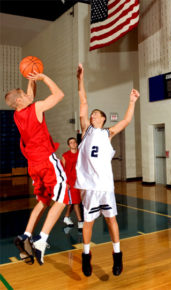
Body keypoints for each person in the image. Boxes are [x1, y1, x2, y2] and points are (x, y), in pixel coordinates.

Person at [75, 64, 140, 277]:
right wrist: (80, 79)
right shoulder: (86, 131)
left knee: (111, 219)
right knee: (88, 222)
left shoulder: (107, 133)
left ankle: (117, 254)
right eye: (91, 114)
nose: (92, 116)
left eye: (96, 114)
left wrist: (131, 101)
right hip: (89, 187)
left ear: (102, 119)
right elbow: (83, 101)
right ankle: (86, 256)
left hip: (105, 186)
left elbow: (126, 120)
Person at [4, 72, 68, 265]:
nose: (27, 94)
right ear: (20, 99)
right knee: (64, 197)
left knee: (43, 200)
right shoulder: (36, 108)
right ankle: (42, 239)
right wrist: (44, 78)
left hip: (33, 165)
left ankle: (25, 235)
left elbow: (28, 98)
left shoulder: (17, 115)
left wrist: (31, 79)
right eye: (23, 93)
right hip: (46, 161)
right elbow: (59, 95)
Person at [61, 137, 83, 231]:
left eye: (74, 142)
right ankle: (80, 221)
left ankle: (66, 217)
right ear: (68, 145)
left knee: (73, 202)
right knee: (76, 202)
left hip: (79, 182)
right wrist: (65, 182)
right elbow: (62, 170)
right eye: (71, 142)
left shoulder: (81, 154)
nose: (73, 144)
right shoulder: (65, 155)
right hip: (70, 182)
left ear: (77, 144)